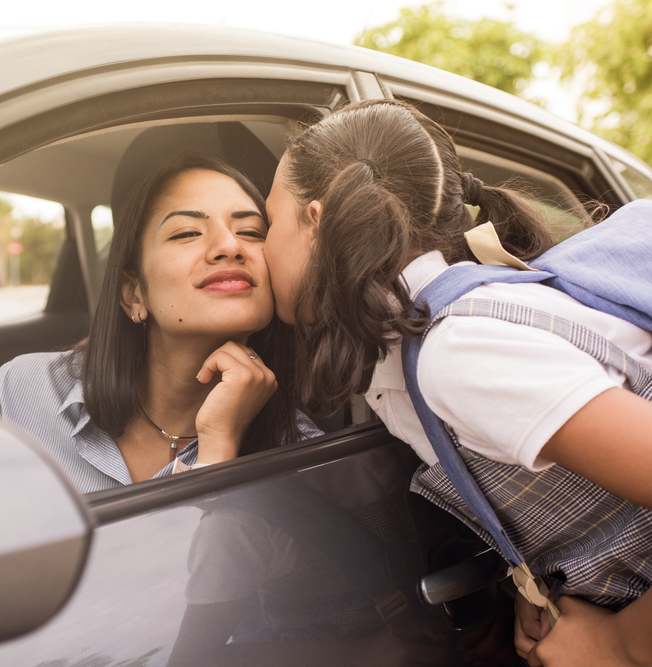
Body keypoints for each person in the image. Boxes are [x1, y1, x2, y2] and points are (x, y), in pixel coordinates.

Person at [262, 99, 652, 667]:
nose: (260, 246)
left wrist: (623, 643)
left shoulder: (460, 354)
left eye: (269, 222)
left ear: (318, 222)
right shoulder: (447, 330)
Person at [0, 153, 318, 494]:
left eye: (250, 231)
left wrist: (219, 446)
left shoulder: (307, 456)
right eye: (186, 233)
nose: (230, 245)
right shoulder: (20, 394)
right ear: (133, 294)